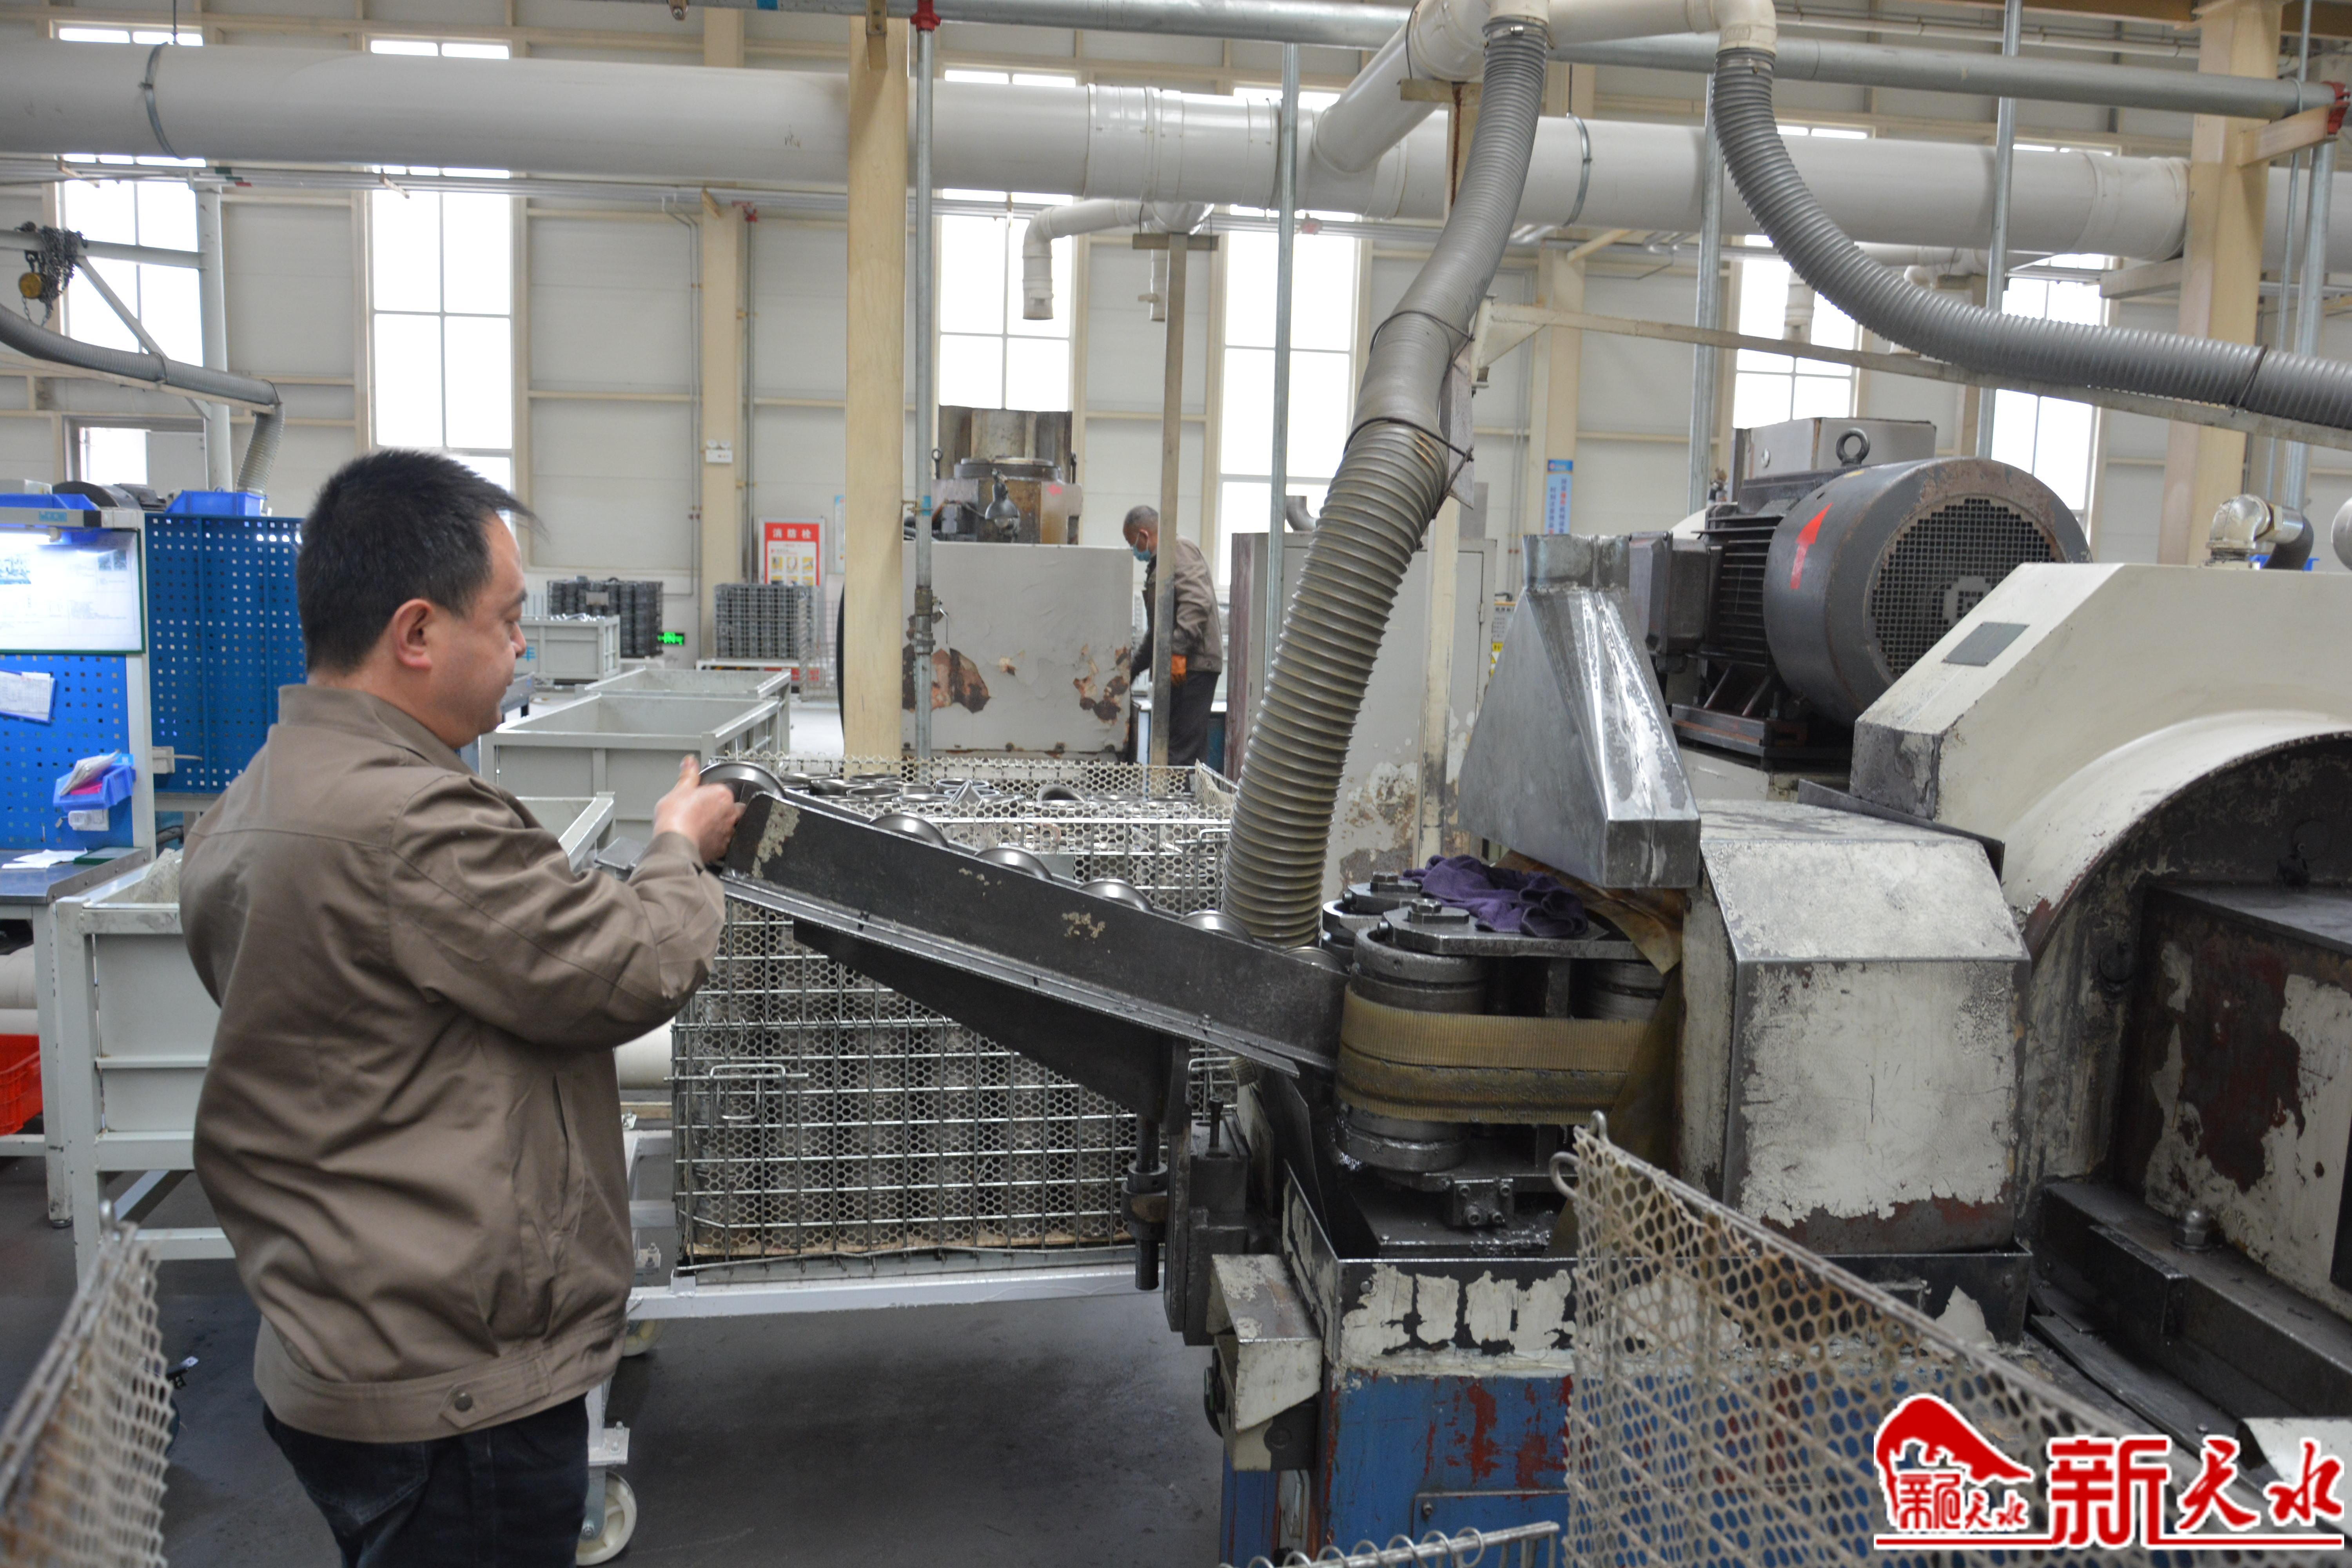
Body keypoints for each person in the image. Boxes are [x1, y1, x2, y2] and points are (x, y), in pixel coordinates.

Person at [180, 449, 742, 1568]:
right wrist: (678, 848)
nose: (524, 646)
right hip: (450, 1391)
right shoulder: (405, 824)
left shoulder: (258, 796)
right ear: (417, 632)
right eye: (510, 619)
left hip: (339, 1338)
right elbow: (630, 965)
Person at [1122, 503, 1224, 768]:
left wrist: (1177, 653)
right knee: (1174, 749)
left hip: (1193, 666)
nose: (1135, 551)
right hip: (1182, 667)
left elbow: (1197, 602)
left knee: (1182, 753)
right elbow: (1159, 633)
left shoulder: (1179, 550)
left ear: (1143, 535)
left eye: (1133, 544)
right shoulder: (1161, 562)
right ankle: (1179, 793)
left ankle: (1183, 796)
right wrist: (1130, 671)